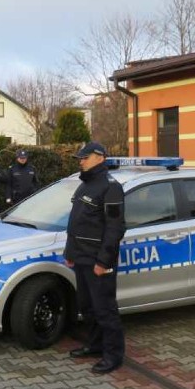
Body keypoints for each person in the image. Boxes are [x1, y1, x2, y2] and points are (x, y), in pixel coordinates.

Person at [64, 142, 126, 374]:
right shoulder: (84, 186)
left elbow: (114, 229)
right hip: (81, 258)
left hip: (98, 261)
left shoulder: (111, 188)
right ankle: (95, 345)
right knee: (87, 307)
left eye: (85, 157)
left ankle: (113, 355)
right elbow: (76, 223)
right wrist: (70, 253)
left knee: (105, 309)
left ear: (100, 157)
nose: (80, 161)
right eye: (80, 158)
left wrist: (104, 262)